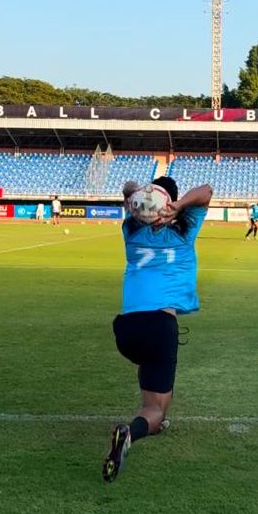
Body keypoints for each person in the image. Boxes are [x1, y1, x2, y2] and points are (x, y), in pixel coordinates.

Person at [102, 176, 213, 483]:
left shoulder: (131, 229)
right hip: (160, 325)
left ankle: (153, 417)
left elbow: (127, 186)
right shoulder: (184, 229)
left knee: (148, 364)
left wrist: (140, 197)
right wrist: (178, 206)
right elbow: (206, 191)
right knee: (155, 410)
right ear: (171, 202)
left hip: (126, 330)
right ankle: (134, 430)